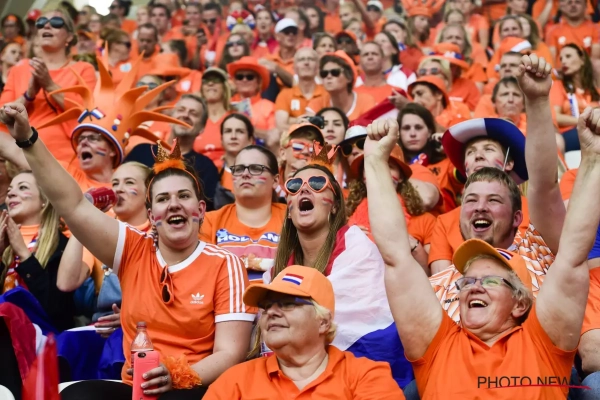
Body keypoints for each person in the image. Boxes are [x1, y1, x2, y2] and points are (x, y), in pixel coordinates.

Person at [0, 103, 256, 398]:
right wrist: (29, 139)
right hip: (134, 387)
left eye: (183, 196)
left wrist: (176, 376)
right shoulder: (133, 248)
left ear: (200, 210)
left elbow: (230, 353)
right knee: (73, 396)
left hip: (195, 386)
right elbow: (73, 204)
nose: (174, 204)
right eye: (163, 199)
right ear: (152, 216)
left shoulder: (225, 264)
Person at [364, 91, 600, 399]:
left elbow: (571, 249)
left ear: (521, 302)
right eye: (467, 282)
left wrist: (593, 157)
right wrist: (374, 161)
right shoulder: (438, 335)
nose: (473, 287)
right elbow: (395, 255)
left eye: (489, 280)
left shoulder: (541, 339)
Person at [270, 143, 414, 387]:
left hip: (369, 369)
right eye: (294, 186)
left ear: (335, 205)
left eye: (317, 183)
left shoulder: (357, 247)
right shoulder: (278, 266)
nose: (304, 188)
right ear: (289, 208)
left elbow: (351, 321)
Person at [204, 265, 405, 399]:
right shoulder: (235, 381)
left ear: (323, 322)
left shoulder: (365, 376)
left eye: (288, 304)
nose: (271, 312)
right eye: (266, 306)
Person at [0, 10, 97, 164]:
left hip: (65, 158)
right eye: (41, 23)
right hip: (21, 155)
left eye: (56, 23)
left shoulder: (84, 69)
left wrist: (50, 85)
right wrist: (28, 95)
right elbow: (3, 115)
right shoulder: (19, 69)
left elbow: (87, 113)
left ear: (69, 37)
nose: (46, 26)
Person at [0, 171, 83, 332]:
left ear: (44, 200)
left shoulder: (61, 245)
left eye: (22, 187)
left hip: (40, 337)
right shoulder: (4, 242)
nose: (10, 194)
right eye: (9, 190)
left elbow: (57, 310)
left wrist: (25, 256)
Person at [201, 146, 285, 282]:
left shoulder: (291, 219)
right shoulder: (209, 222)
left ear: (275, 181)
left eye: (256, 168)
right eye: (239, 169)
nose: (245, 174)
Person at [346, 144, 434, 271]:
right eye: (373, 167)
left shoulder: (425, 220)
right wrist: (347, 240)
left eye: (389, 166)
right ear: (362, 177)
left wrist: (414, 247)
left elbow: (434, 276)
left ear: (401, 177)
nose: (381, 172)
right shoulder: (346, 222)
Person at [126, 94, 220, 211]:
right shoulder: (141, 151)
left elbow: (205, 211)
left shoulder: (206, 167)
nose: (185, 115)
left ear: (202, 128)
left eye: (193, 113)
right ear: (170, 119)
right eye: (181, 110)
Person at [397, 103, 463, 213]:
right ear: (399, 133)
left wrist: (451, 148)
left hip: (443, 221)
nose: (412, 134)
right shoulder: (395, 167)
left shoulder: (447, 162)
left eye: (418, 128)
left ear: (430, 132)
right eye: (406, 128)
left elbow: (468, 172)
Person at [550, 43, 599, 151]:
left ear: (582, 60)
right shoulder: (558, 86)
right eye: (561, 58)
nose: (563, 61)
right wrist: (582, 121)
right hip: (570, 134)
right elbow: (555, 117)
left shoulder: (595, 91)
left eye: (568, 56)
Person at [307, 51, 376, 121]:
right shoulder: (316, 105)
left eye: (335, 72)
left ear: (349, 77)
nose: (329, 76)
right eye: (324, 73)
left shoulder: (366, 102)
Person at [275, 48, 326, 132]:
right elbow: (281, 126)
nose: (306, 63)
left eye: (311, 59)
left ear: (317, 67)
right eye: (301, 59)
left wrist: (292, 120)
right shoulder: (285, 95)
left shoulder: (327, 93)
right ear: (294, 68)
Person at [214, 113, 254, 209]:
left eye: (240, 131)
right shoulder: (213, 171)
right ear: (221, 139)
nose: (233, 136)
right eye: (228, 131)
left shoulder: (260, 173)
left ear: (250, 140)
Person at [193, 68, 231, 164]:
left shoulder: (236, 118)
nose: (210, 84)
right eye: (206, 81)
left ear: (225, 87)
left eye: (216, 80)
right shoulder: (194, 120)